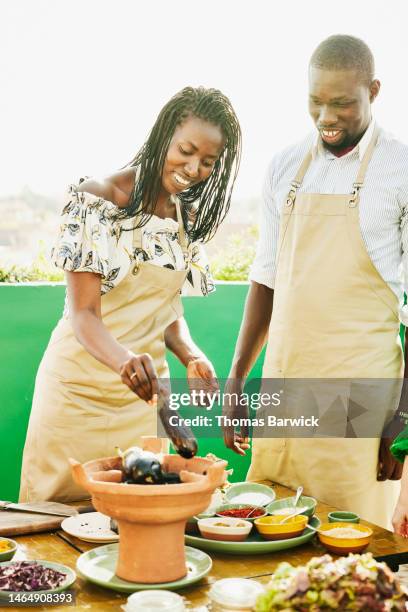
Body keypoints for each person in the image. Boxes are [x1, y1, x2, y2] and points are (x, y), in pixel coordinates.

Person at [19, 86, 241, 502]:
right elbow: (83, 315)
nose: (194, 169)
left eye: (208, 162)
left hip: (141, 405)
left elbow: (166, 312)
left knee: (133, 522)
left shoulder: (183, 218)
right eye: (186, 150)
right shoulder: (97, 200)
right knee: (54, 529)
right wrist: (126, 362)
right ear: (163, 135)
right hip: (75, 399)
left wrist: (190, 355)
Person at [223, 34, 408, 529]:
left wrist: (404, 418)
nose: (326, 116)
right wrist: (238, 378)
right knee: (272, 534)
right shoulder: (285, 165)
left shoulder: (401, 170)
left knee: (351, 548)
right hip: (287, 390)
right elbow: (266, 277)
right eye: (315, 101)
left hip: (362, 402)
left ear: (374, 90)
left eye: (343, 103)